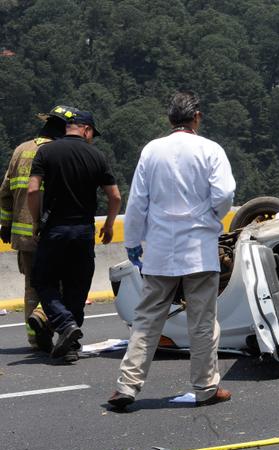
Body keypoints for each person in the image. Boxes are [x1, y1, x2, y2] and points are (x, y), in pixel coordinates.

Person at [108, 91, 236, 409]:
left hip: (160, 250)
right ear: (197, 117)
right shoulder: (210, 150)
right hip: (200, 250)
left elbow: (137, 202)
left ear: (169, 120)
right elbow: (225, 192)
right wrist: (210, 217)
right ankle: (206, 387)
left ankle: (127, 386)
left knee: (147, 319)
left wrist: (133, 243)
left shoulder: (152, 151)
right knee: (203, 321)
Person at [27, 107, 121, 363]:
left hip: (55, 229)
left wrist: (36, 222)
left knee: (43, 280)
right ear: (86, 130)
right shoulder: (97, 156)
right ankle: (70, 345)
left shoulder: (46, 152)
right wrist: (110, 225)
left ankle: (65, 325)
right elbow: (115, 196)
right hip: (83, 231)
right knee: (76, 287)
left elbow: (33, 191)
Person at [0, 107, 69, 351]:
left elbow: (6, 193)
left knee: (32, 286)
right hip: (49, 233)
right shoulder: (57, 152)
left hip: (23, 235)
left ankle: (34, 338)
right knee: (60, 283)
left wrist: (6, 225)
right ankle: (42, 319)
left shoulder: (20, 150)